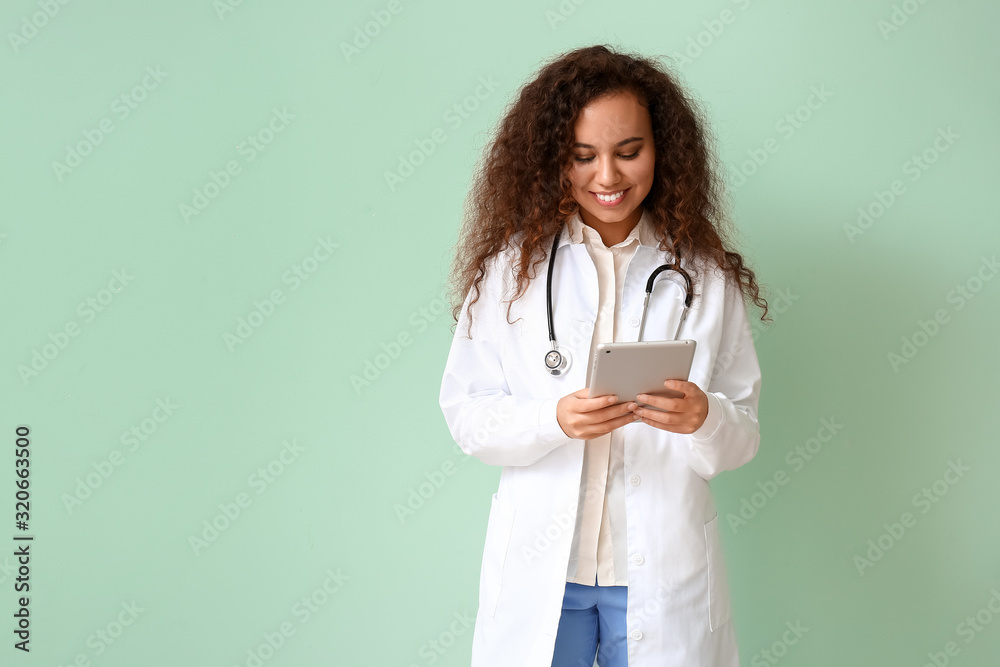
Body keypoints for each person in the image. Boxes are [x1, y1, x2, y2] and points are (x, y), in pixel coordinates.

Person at [438, 44, 770, 667]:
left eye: (629, 151)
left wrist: (705, 417)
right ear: (550, 159)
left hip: (661, 571)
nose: (608, 177)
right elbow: (466, 413)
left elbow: (742, 435)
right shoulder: (510, 273)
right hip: (545, 576)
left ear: (661, 150)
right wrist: (553, 420)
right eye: (583, 155)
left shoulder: (705, 277)